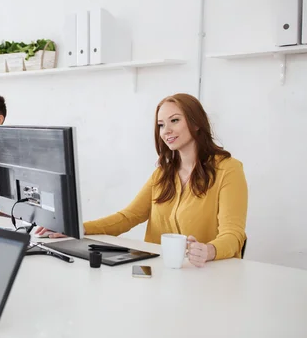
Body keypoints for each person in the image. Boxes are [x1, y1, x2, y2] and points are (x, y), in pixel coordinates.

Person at [37, 93, 248, 267]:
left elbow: (233, 234)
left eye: (175, 120)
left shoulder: (228, 170)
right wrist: (75, 228)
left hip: (205, 274)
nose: (167, 131)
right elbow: (129, 216)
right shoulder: (163, 173)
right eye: (161, 125)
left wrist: (209, 250)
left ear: (196, 124)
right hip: (159, 271)